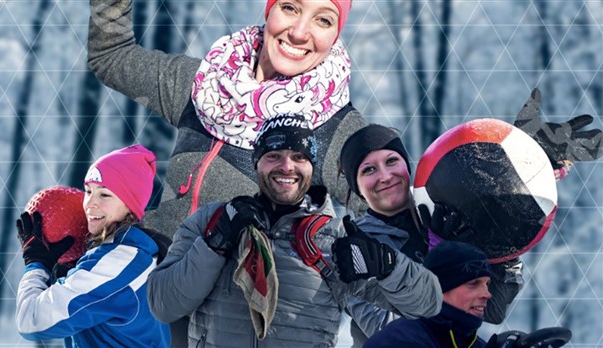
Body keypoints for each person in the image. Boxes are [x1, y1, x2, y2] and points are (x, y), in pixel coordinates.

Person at [146, 114, 442, 347]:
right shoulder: (210, 221)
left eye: (299, 157)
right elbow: (164, 305)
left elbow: (428, 303)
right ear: (256, 162)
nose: (287, 166)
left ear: (311, 167)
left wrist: (389, 265)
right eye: (274, 155)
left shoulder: (336, 240)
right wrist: (215, 243)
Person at [87, 0, 368, 242]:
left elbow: (391, 219)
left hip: (232, 303)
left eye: (323, 20)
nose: (298, 32)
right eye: (290, 7)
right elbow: (112, 58)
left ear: (335, 34)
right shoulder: (205, 84)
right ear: (270, 9)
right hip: (153, 286)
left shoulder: (335, 126)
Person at [338, 124, 524, 346]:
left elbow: (493, 310)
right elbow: (387, 331)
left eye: (391, 161)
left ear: (407, 166)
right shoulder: (355, 248)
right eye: (368, 170)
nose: (385, 176)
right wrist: (445, 265)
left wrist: (504, 241)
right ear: (357, 187)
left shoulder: (448, 214)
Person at [15, 145, 171, 347]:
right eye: (88, 191)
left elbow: (31, 321)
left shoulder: (119, 262)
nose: (89, 203)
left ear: (130, 204)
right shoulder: (130, 253)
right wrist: (67, 269)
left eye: (104, 195)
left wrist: (36, 264)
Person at [363, 240, 493, 348]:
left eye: (487, 284)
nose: (487, 294)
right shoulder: (398, 341)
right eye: (473, 283)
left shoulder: (468, 341)